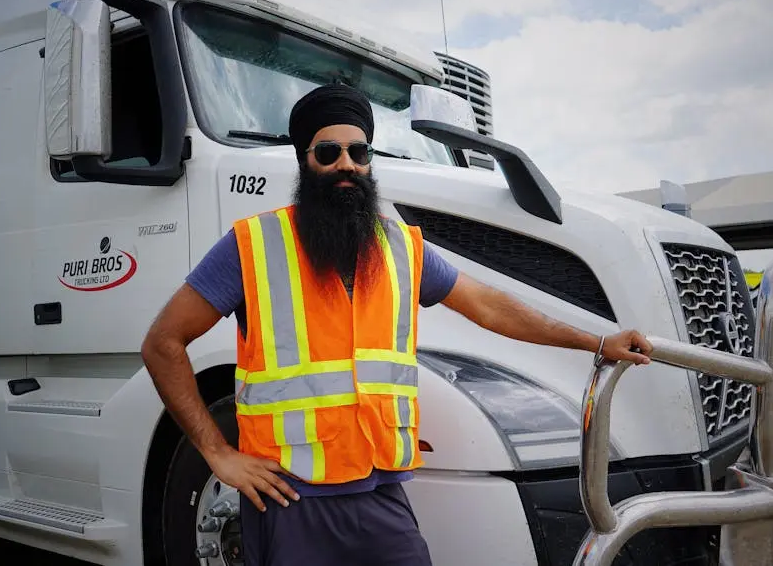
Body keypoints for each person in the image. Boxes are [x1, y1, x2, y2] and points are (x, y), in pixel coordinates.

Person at [140, 83, 654, 566]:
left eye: (359, 153)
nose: (346, 164)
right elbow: (163, 343)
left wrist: (597, 341)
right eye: (329, 152)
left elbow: (491, 306)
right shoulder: (251, 247)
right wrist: (217, 454)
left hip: (381, 494)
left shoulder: (401, 248)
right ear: (304, 161)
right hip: (292, 502)